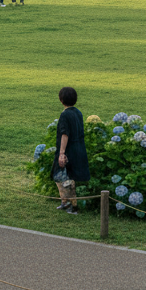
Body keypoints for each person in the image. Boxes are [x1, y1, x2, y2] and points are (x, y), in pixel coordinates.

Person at [51, 87, 89, 215]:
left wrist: (62, 153)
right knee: (69, 177)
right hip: (79, 148)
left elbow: (64, 134)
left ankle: (71, 205)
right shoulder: (78, 112)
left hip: (68, 150)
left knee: (62, 177)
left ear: (61, 100)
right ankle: (65, 202)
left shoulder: (65, 115)